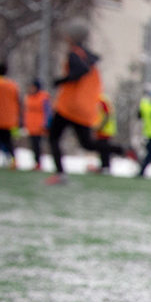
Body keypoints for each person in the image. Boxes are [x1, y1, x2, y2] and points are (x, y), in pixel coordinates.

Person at [46, 20, 109, 184]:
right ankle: (122, 149)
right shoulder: (89, 57)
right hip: (83, 106)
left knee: (53, 137)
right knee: (87, 144)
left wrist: (61, 81)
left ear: (72, 37)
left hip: (69, 106)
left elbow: (79, 71)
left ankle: (60, 174)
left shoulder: (75, 54)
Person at [23, 79, 51, 171]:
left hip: (39, 126)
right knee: (33, 145)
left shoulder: (43, 97)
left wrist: (46, 123)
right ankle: (36, 163)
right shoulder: (29, 97)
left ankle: (38, 163)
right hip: (31, 125)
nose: (31, 89)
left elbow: (47, 112)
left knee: (37, 145)